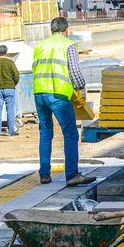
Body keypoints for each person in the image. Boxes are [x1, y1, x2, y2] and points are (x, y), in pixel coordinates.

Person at [32, 17, 95, 186]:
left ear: (51, 31)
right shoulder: (68, 45)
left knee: (45, 133)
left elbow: (35, 68)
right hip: (58, 94)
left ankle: (44, 175)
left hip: (39, 93)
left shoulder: (39, 46)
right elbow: (74, 70)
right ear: (66, 31)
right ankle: (72, 174)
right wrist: (81, 88)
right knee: (70, 134)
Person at [0, 44, 20, 137]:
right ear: (6, 52)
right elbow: (16, 75)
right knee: (10, 110)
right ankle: (11, 132)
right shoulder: (10, 62)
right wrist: (13, 83)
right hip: (9, 88)